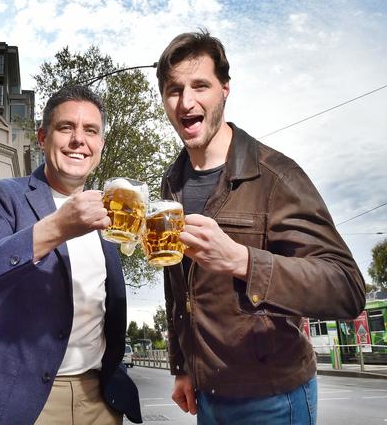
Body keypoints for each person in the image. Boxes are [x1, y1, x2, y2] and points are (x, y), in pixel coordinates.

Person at [156, 30, 366, 424]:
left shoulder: (275, 176)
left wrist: (242, 261)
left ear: (224, 90)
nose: (186, 102)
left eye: (200, 85)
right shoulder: (172, 183)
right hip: (207, 397)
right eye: (173, 89)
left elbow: (346, 287)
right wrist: (181, 366)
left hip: (273, 399)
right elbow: (176, 286)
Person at [0, 85, 142, 425]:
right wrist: (57, 228)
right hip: (23, 403)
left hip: (100, 402)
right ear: (42, 137)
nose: (79, 139)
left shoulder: (111, 213)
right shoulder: (5, 197)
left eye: (90, 131)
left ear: (100, 146)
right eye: (66, 128)